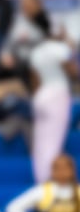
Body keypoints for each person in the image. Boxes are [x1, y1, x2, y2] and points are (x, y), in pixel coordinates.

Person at [28, 29, 77, 184]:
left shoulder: (36, 51)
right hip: (57, 93)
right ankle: (50, 180)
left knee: (40, 143)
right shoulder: (60, 48)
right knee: (53, 142)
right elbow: (73, 72)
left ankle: (40, 178)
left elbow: (34, 80)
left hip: (41, 95)